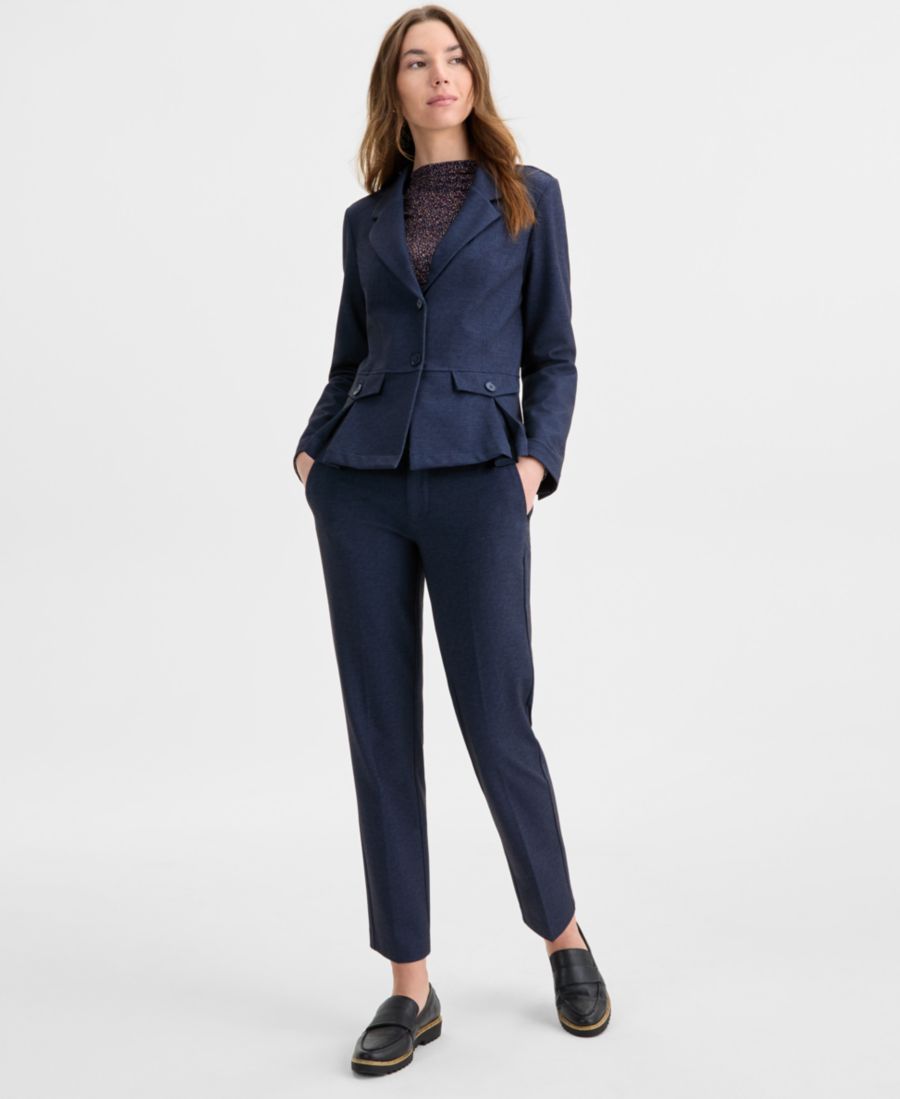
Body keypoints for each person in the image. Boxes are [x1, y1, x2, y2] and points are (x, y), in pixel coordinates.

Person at [291, 7, 611, 1075]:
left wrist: (533, 464)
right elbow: (349, 357)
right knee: (381, 731)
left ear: (476, 75)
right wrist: (313, 454)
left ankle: (562, 934)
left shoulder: (529, 197)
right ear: (394, 87)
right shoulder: (366, 220)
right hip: (363, 489)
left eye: (455, 56)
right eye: (418, 62)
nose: (441, 74)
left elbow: (554, 354)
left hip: (480, 479)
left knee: (497, 721)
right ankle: (409, 984)